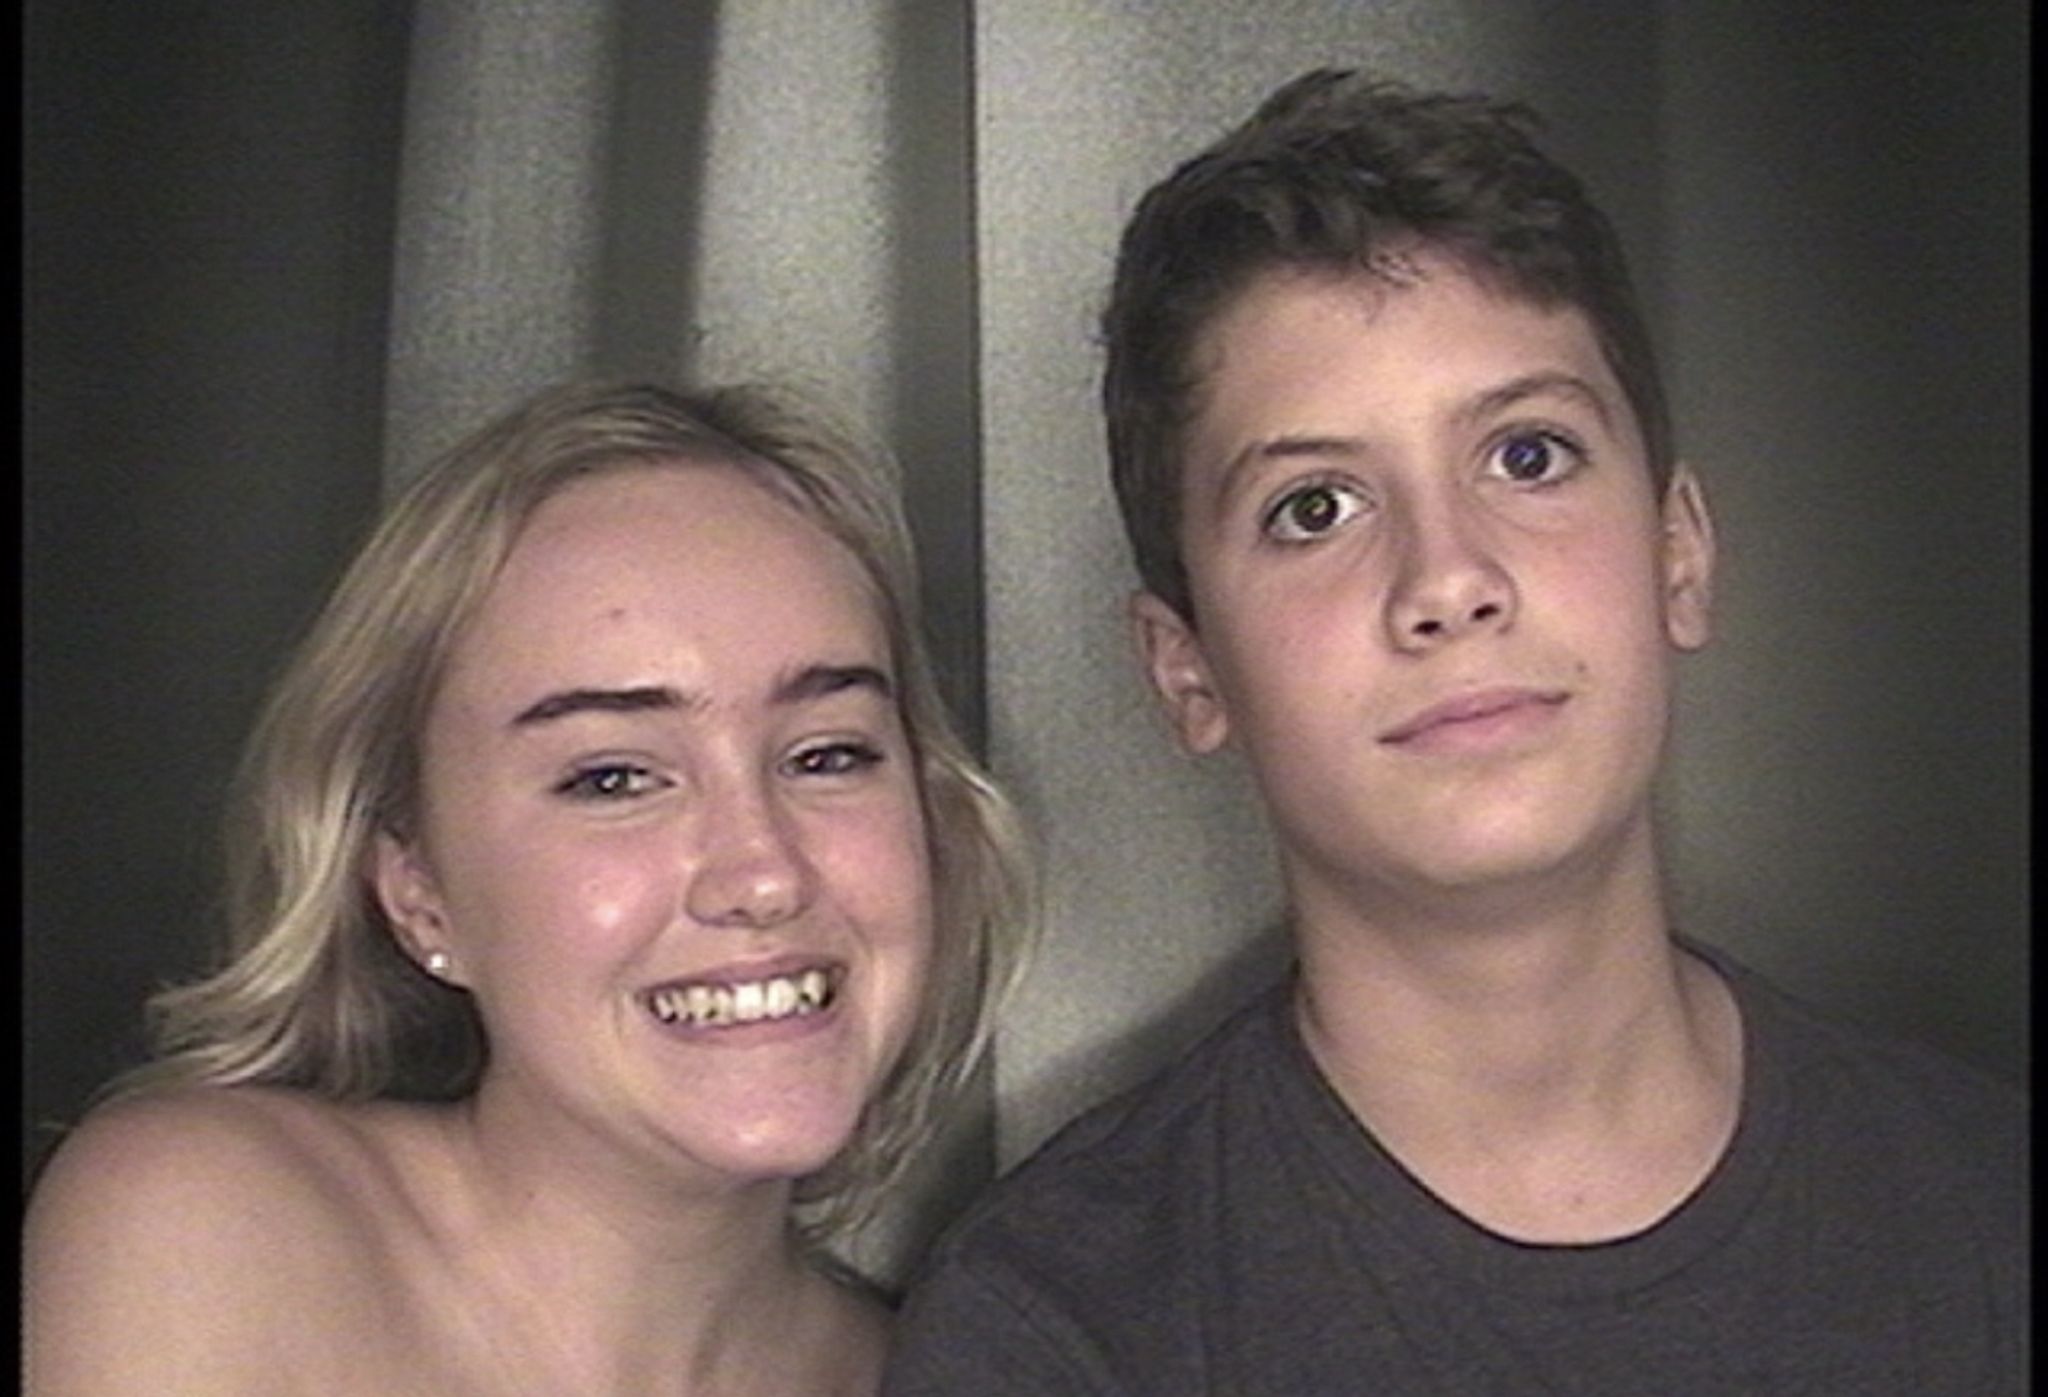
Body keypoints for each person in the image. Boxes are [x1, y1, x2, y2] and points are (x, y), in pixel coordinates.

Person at [882, 69, 2026, 1394]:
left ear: (1678, 554)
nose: (1446, 578)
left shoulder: (1990, 1214)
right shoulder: (1056, 1329)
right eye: (1315, 507)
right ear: (1188, 670)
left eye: (1527, 455)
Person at [23, 380, 1033, 1396]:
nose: (764, 873)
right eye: (614, 778)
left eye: (826, 755)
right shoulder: (211, 1228)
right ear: (418, 890)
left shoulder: (973, 1367)